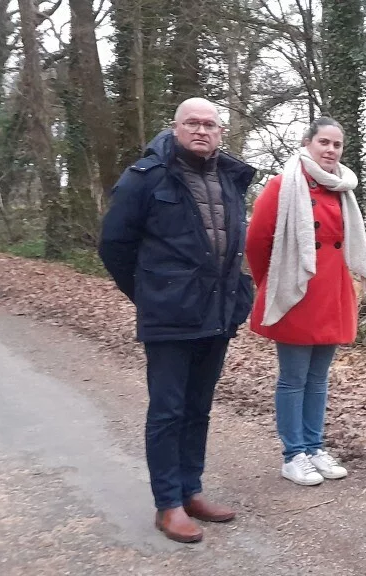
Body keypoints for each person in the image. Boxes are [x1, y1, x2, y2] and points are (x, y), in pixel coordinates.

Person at [98, 98, 257, 542]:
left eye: (210, 124)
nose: (202, 130)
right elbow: (114, 246)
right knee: (168, 410)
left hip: (218, 312)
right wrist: (150, 295)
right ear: (175, 127)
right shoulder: (143, 178)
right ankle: (167, 503)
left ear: (220, 132)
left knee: (198, 408)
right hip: (170, 317)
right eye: (193, 123)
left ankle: (191, 490)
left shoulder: (230, 176)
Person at [245, 117, 366, 487]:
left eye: (337, 144)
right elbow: (256, 241)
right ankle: (293, 454)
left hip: (334, 292)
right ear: (307, 143)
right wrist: (273, 283)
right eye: (324, 143)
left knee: (318, 379)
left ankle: (315, 448)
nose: (331, 150)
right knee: (294, 377)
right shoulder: (283, 186)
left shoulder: (343, 188)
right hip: (297, 290)